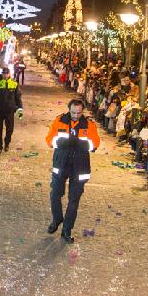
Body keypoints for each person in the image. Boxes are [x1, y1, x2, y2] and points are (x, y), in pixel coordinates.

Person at [45, 98, 101, 243]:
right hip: (61, 162)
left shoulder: (89, 125)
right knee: (55, 193)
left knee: (74, 200)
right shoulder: (59, 121)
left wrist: (80, 143)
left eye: (79, 113)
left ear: (83, 111)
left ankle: (66, 230)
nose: (76, 115)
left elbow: (95, 144)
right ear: (69, 109)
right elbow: (49, 140)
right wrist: (60, 141)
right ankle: (57, 219)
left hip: (80, 165)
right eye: (73, 112)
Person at [0, 67, 23, 154]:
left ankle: (7, 143)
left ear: (9, 74)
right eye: (3, 73)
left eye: (6, 73)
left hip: (10, 111)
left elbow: (18, 98)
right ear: (2, 74)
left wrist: (20, 109)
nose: (5, 75)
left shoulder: (14, 84)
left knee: (9, 130)